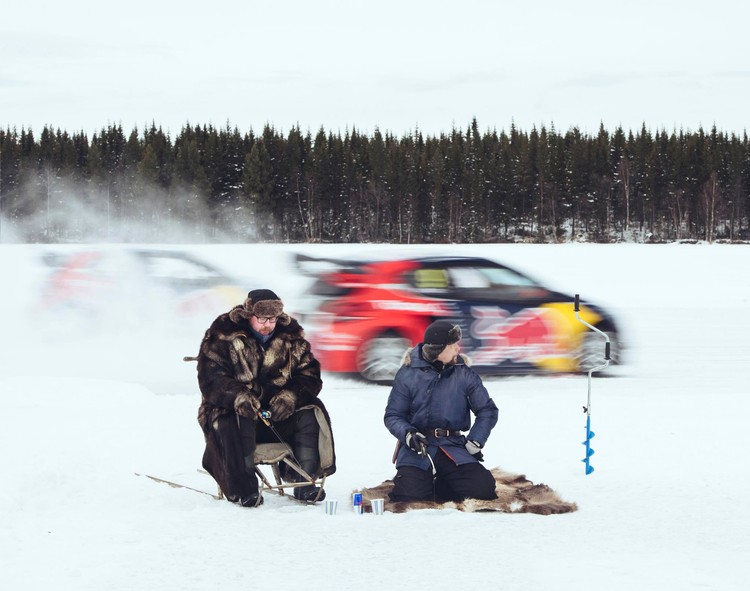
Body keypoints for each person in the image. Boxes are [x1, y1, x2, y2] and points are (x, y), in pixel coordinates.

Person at [195, 288, 335, 507]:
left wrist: (290, 396)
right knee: (236, 418)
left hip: (276, 415)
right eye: (262, 319)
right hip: (235, 412)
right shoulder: (223, 334)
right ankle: (244, 489)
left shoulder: (292, 338)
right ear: (248, 315)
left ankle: (304, 482)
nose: (268, 324)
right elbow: (211, 378)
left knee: (309, 413)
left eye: (273, 319)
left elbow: (310, 375)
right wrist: (239, 397)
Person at [384, 320, 499, 503]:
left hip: (452, 447)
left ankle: (442, 479)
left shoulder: (464, 372)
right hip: (418, 449)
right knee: (410, 498)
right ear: (439, 349)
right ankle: (422, 481)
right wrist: (408, 435)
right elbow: (393, 415)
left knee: (483, 490)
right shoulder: (407, 374)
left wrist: (476, 440)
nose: (458, 349)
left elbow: (487, 410)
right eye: (453, 345)